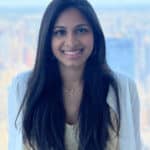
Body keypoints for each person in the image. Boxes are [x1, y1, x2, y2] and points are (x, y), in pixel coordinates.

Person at [8, 0, 142, 149]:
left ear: (95, 35)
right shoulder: (22, 87)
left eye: (81, 30)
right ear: (47, 39)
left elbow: (134, 145)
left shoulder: (124, 88)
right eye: (60, 32)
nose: (71, 42)